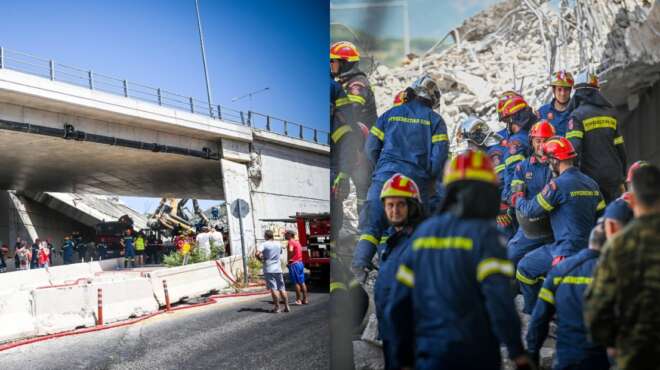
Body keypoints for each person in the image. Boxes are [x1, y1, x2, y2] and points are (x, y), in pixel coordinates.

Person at [386, 150, 530, 370]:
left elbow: (397, 307)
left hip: (429, 357)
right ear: (486, 191)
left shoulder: (423, 235)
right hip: (476, 357)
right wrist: (517, 353)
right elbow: (499, 301)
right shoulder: (487, 236)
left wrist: (403, 359)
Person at [353, 74, 449, 275]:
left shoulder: (389, 114)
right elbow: (439, 157)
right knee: (413, 228)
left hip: (384, 179)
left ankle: (360, 267)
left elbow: (370, 148)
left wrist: (382, 168)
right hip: (414, 183)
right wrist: (427, 176)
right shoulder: (435, 120)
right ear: (432, 100)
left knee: (373, 226)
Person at [515, 137, 604, 313]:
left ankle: (535, 314)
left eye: (549, 162)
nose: (548, 166)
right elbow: (602, 216)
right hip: (589, 250)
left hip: (564, 250)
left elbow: (530, 210)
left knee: (524, 268)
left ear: (555, 161)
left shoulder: (557, 186)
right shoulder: (592, 183)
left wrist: (517, 197)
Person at [585, 164, 660, 370]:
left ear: (632, 199)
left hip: (634, 354)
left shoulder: (618, 245)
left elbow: (596, 310)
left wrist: (610, 342)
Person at [372, 173, 424, 369]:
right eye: (390, 205)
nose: (394, 210)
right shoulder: (392, 240)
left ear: (412, 207)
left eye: (400, 205)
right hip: (391, 333)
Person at [565, 71, 626, 203]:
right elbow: (621, 149)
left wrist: (573, 180)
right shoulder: (610, 114)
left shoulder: (576, 116)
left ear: (578, 94)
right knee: (617, 217)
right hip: (614, 177)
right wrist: (622, 177)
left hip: (592, 181)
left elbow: (573, 151)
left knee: (596, 220)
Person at [507, 120, 555, 267]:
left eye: (546, 141)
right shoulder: (523, 167)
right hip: (530, 227)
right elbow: (515, 193)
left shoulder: (559, 163)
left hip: (555, 226)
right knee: (510, 255)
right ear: (532, 142)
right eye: (538, 141)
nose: (541, 146)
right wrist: (517, 198)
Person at [256, 230, 290, 313]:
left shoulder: (264, 244)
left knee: (273, 288)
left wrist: (261, 260)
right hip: (278, 269)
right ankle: (286, 306)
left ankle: (277, 307)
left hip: (269, 269)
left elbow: (257, 254)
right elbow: (280, 253)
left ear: (266, 236)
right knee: (282, 288)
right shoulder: (278, 244)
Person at [537, 70, 574, 136]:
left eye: (566, 89)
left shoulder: (576, 111)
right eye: (559, 89)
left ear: (570, 90)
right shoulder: (543, 112)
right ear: (553, 90)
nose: (563, 93)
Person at [285, 229, 308, 305]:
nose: (284, 235)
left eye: (286, 234)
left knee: (296, 283)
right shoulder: (297, 242)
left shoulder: (290, 242)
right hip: (300, 263)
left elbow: (291, 251)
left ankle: (298, 300)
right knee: (302, 282)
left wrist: (289, 260)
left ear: (289, 235)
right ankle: (305, 299)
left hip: (294, 264)